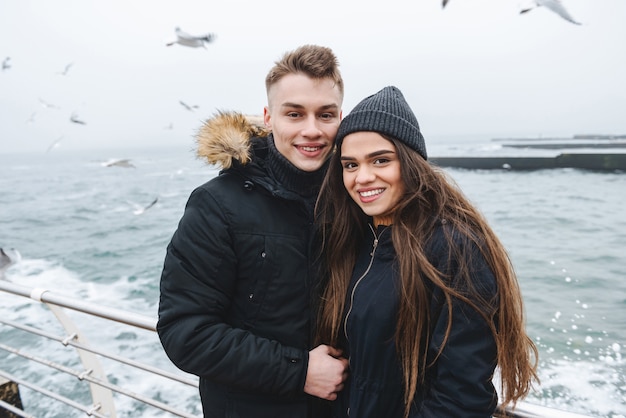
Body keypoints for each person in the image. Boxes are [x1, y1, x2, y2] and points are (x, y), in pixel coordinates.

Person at [315, 86, 539, 417]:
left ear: (411, 162)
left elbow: (462, 397)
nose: (362, 177)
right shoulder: (356, 238)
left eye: (381, 160)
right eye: (350, 165)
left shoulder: (453, 248)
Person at [157, 44, 349, 418]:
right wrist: (300, 371)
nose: (311, 130)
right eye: (294, 113)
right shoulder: (217, 204)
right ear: (268, 117)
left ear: (340, 117)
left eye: (325, 115)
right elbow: (185, 332)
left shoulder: (354, 199)